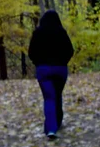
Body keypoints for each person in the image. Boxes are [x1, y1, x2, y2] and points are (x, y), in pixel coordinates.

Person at [28, 10, 74, 139]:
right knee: (57, 94)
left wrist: (38, 63)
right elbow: (70, 50)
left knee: (49, 98)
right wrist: (63, 62)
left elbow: (31, 52)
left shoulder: (37, 33)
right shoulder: (61, 32)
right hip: (60, 70)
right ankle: (58, 121)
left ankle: (51, 129)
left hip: (44, 70)